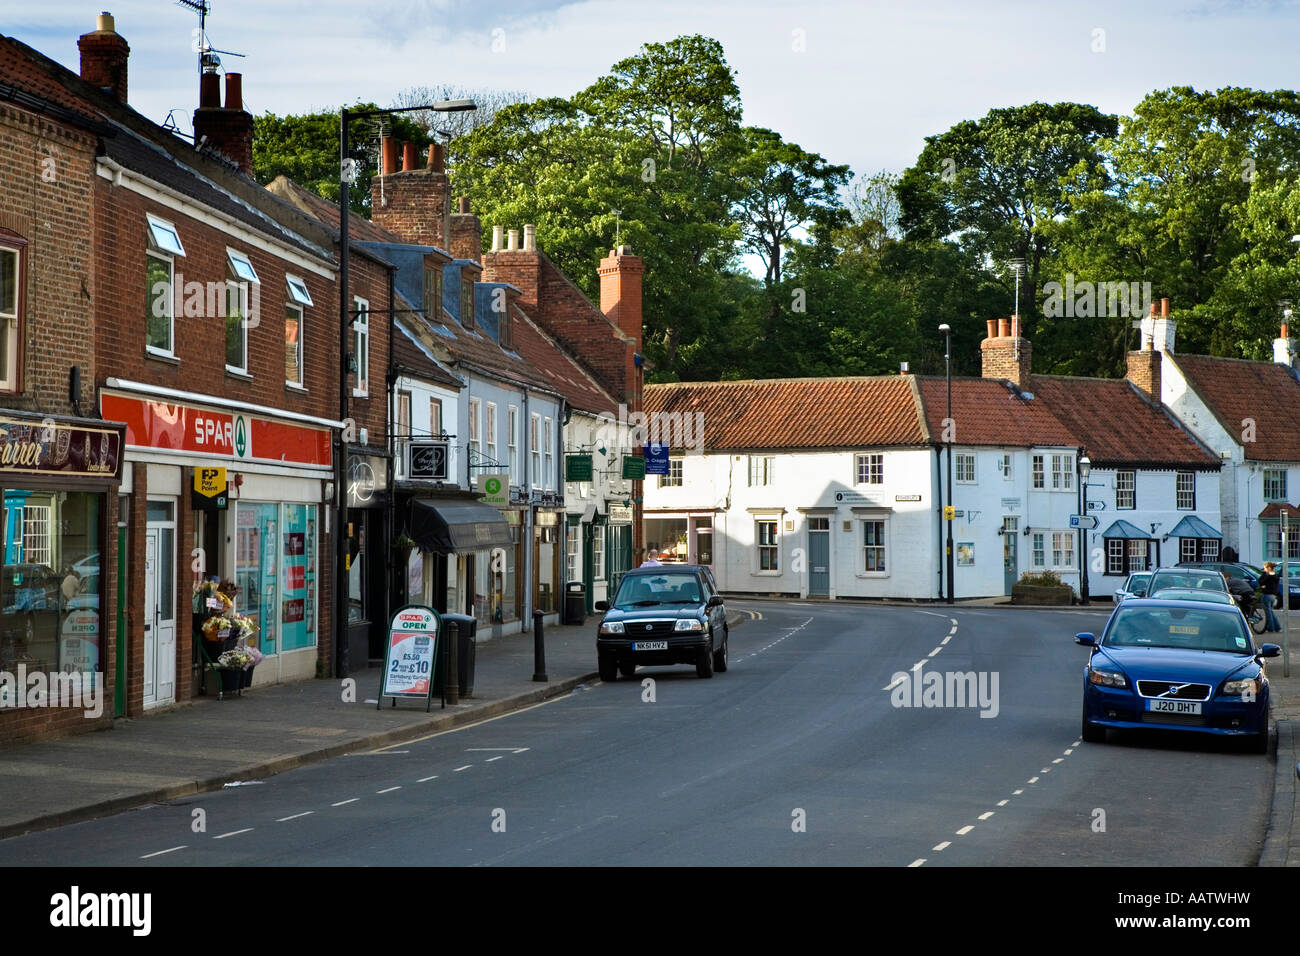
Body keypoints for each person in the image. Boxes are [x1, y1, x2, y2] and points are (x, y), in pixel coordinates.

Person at [1259, 562, 1282, 632]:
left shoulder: (1267, 576)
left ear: (1268, 568)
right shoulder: (1276, 575)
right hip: (1273, 595)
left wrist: (1263, 586)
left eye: (1265, 568)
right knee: (1270, 611)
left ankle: (1271, 628)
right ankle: (1277, 627)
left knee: (1268, 612)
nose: (1264, 569)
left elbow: (1260, 581)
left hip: (1266, 594)